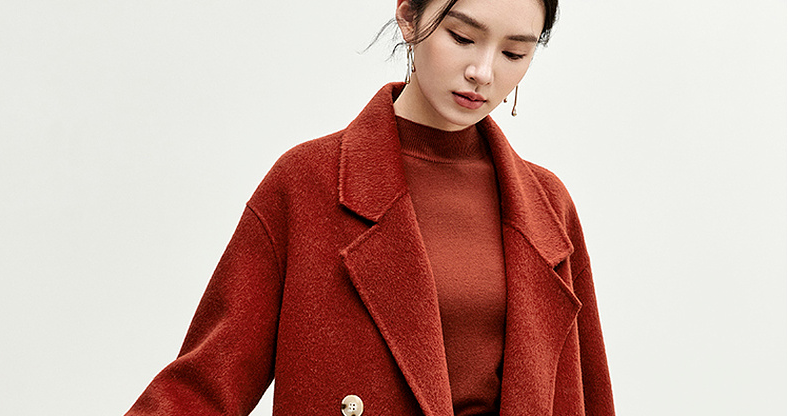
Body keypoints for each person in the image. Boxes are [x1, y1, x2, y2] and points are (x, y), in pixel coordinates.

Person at [126, 0, 615, 414]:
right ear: (408, 17)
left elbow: (591, 395)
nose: (483, 72)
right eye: (463, 38)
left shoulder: (547, 205)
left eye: (514, 52)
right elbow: (205, 385)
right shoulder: (307, 183)